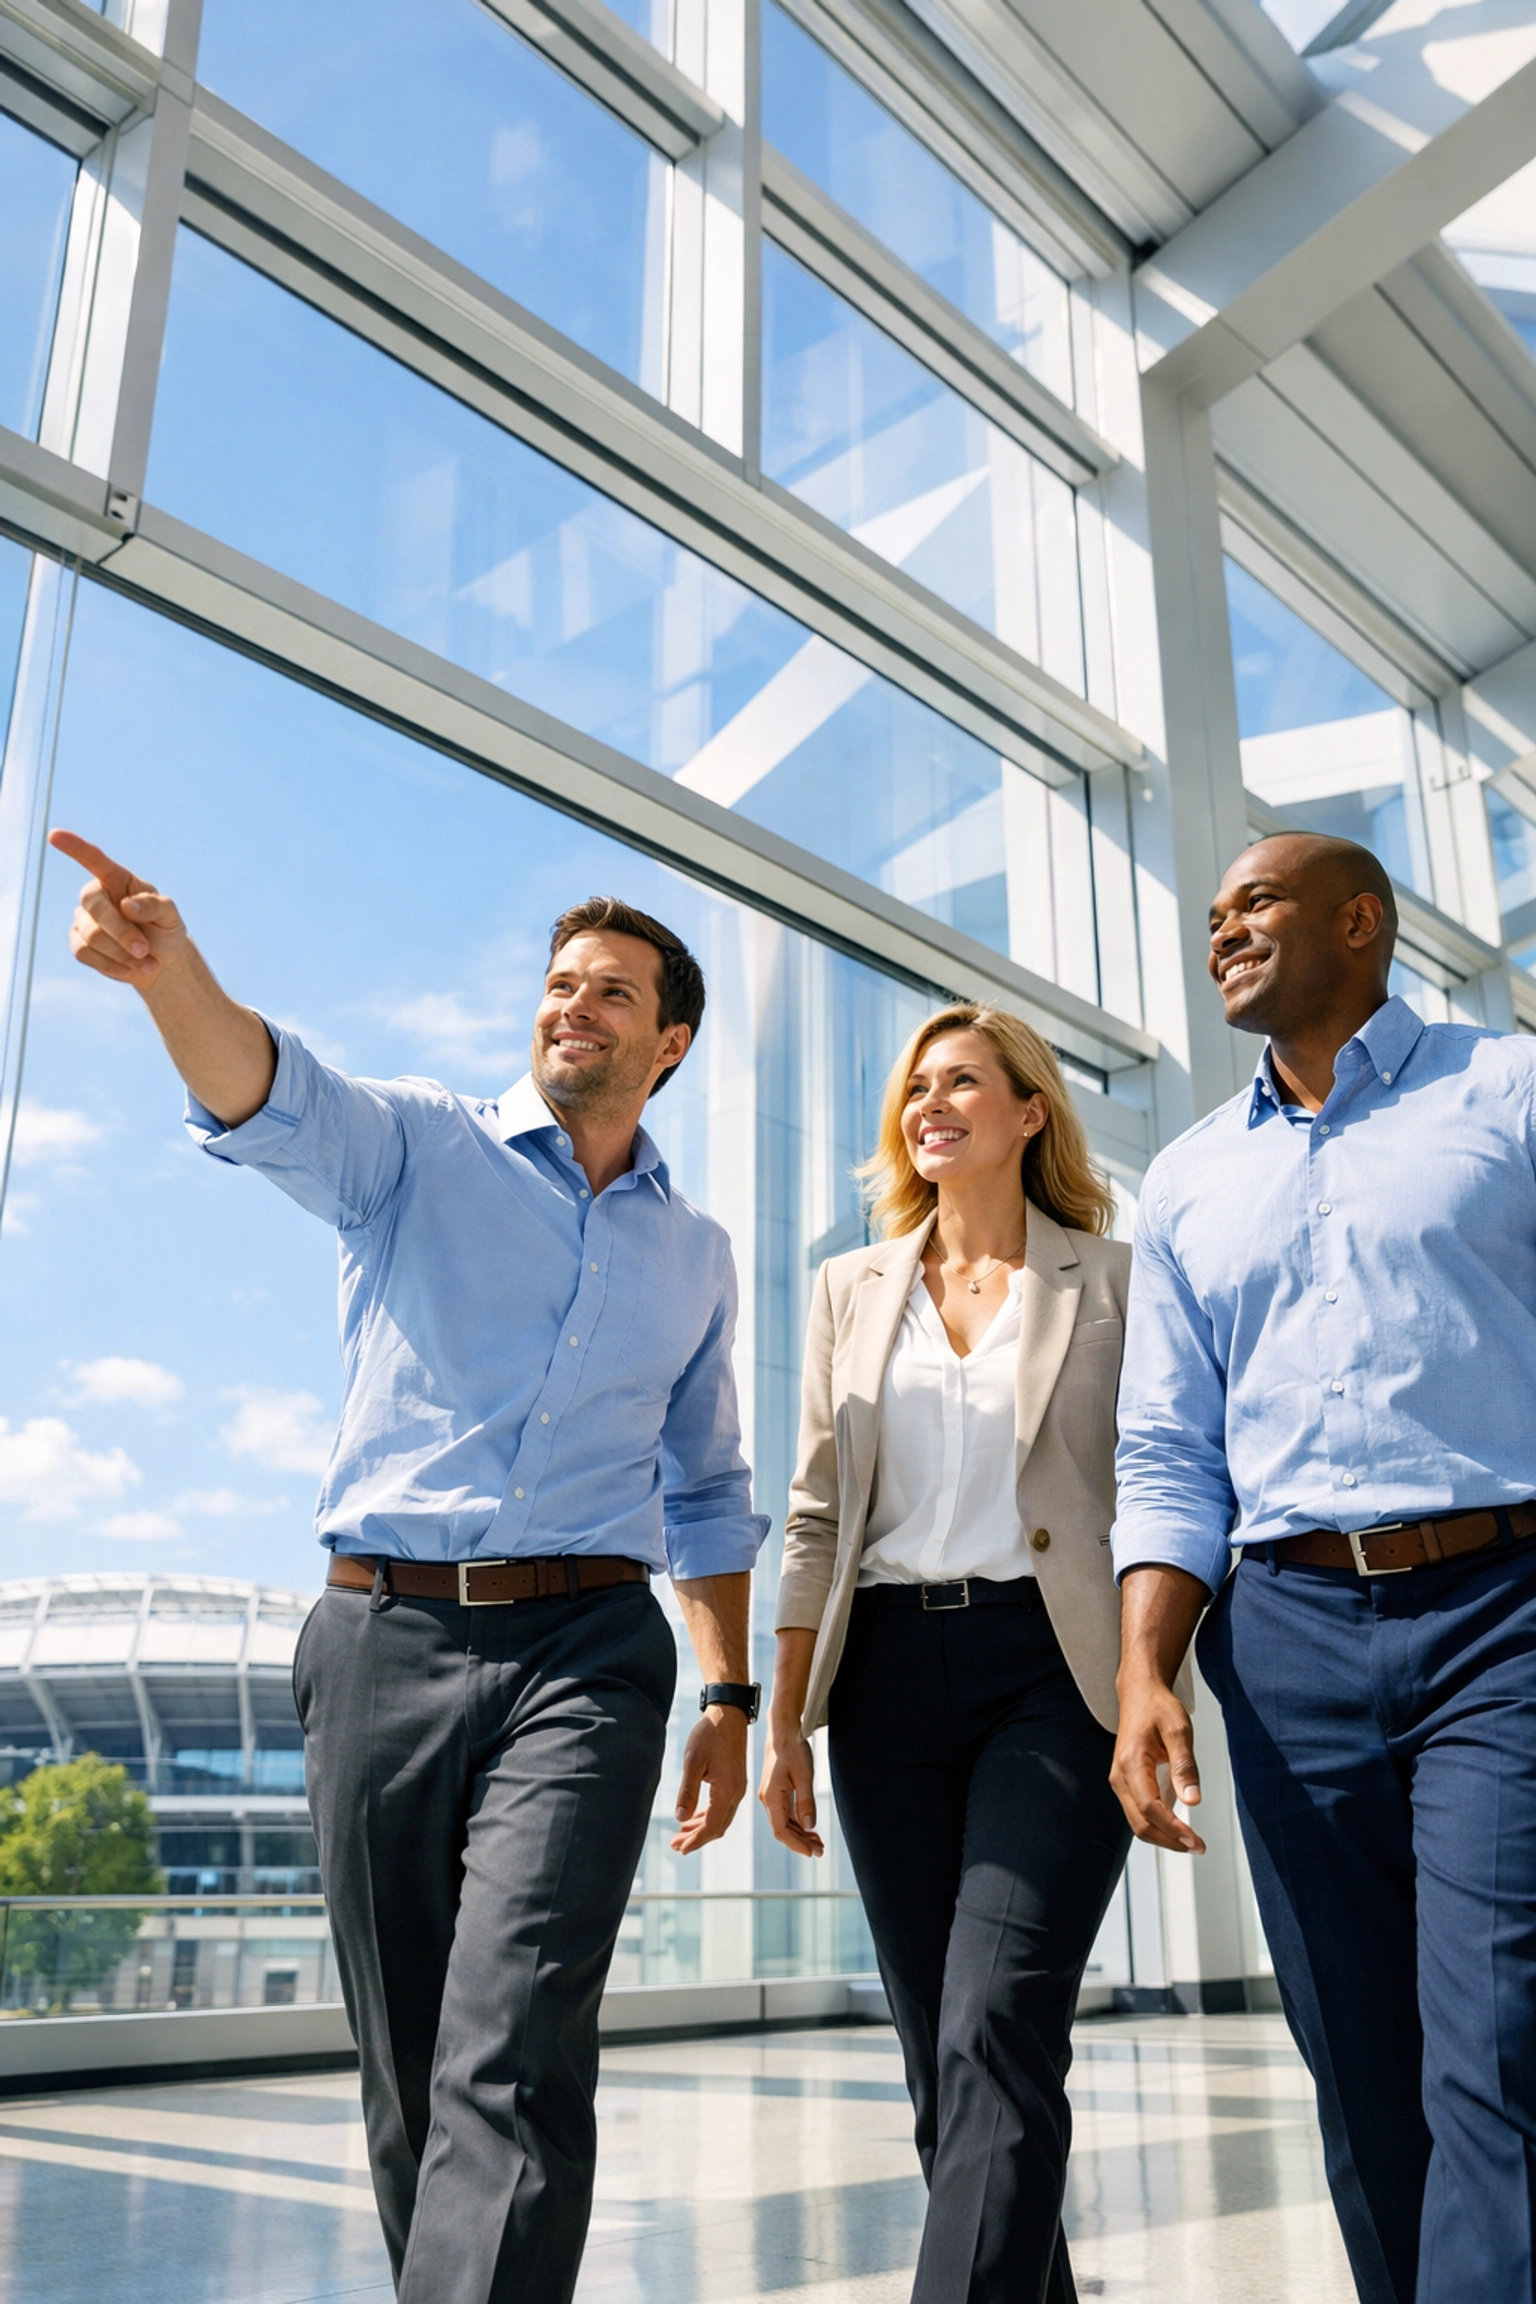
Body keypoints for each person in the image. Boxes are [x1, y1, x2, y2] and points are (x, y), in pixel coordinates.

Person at [51, 828, 768, 2304]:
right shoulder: (421, 1146)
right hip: (380, 1637)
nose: (575, 1004)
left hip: (588, 1647)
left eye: (614, 991)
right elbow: (270, 1089)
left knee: (512, 2045)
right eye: (561, 982)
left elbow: (706, 1490)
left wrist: (732, 1693)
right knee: (416, 2067)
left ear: (670, 1039)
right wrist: (168, 974)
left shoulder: (695, 1254)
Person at [1110, 830, 1536, 2304]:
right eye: (1213, 912)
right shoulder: (1183, 1182)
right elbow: (1169, 1447)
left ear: (1361, 920)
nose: (1223, 930)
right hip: (1284, 1631)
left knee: (1497, 2040)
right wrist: (1144, 1672)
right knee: (1357, 2055)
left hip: (1505, 1611)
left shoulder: (1511, 1091)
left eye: (1258, 905)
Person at [761, 1002, 1135, 2304]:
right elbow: (815, 1513)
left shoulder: (1110, 1280)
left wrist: (1155, 1688)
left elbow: (1158, 1491)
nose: (931, 1105)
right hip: (881, 1688)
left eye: (964, 1082)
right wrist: (784, 1720)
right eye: (918, 1087)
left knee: (998, 2024)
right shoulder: (847, 1291)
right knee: (946, 2057)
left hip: (1054, 1674)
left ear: (1029, 1111)